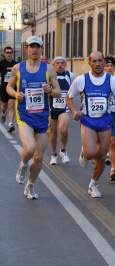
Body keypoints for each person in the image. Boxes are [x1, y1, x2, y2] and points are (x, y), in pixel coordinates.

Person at [65, 51, 115, 198]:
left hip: (105, 120)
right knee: (90, 153)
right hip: (88, 120)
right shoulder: (82, 80)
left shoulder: (112, 81)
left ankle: (93, 184)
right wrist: (73, 111)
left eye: (100, 61)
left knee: (101, 156)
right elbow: (68, 96)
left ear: (104, 62)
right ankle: (85, 152)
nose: (98, 64)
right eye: (94, 61)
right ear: (89, 63)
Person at [6, 36, 61, 199]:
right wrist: (16, 94)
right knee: (30, 148)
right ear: (26, 49)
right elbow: (9, 87)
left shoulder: (48, 69)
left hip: (43, 116)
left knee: (39, 156)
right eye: (32, 46)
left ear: (42, 49)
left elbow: (59, 92)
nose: (35, 49)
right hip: (24, 115)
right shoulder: (18, 68)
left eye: (38, 47)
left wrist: (49, 89)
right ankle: (23, 165)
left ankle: (30, 185)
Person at [49, 56, 74, 165]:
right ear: (53, 65)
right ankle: (53, 154)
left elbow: (74, 89)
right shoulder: (49, 75)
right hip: (51, 107)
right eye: (57, 63)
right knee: (53, 133)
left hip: (64, 107)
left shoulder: (70, 75)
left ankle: (63, 150)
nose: (60, 65)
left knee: (63, 130)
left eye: (62, 63)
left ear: (65, 65)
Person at [0, 46, 18, 132]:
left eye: (10, 53)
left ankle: (10, 124)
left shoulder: (16, 64)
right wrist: (2, 74)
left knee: (11, 104)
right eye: (7, 53)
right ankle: (3, 113)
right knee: (4, 106)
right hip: (4, 87)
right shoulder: (1, 63)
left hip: (12, 87)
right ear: (4, 54)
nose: (9, 54)